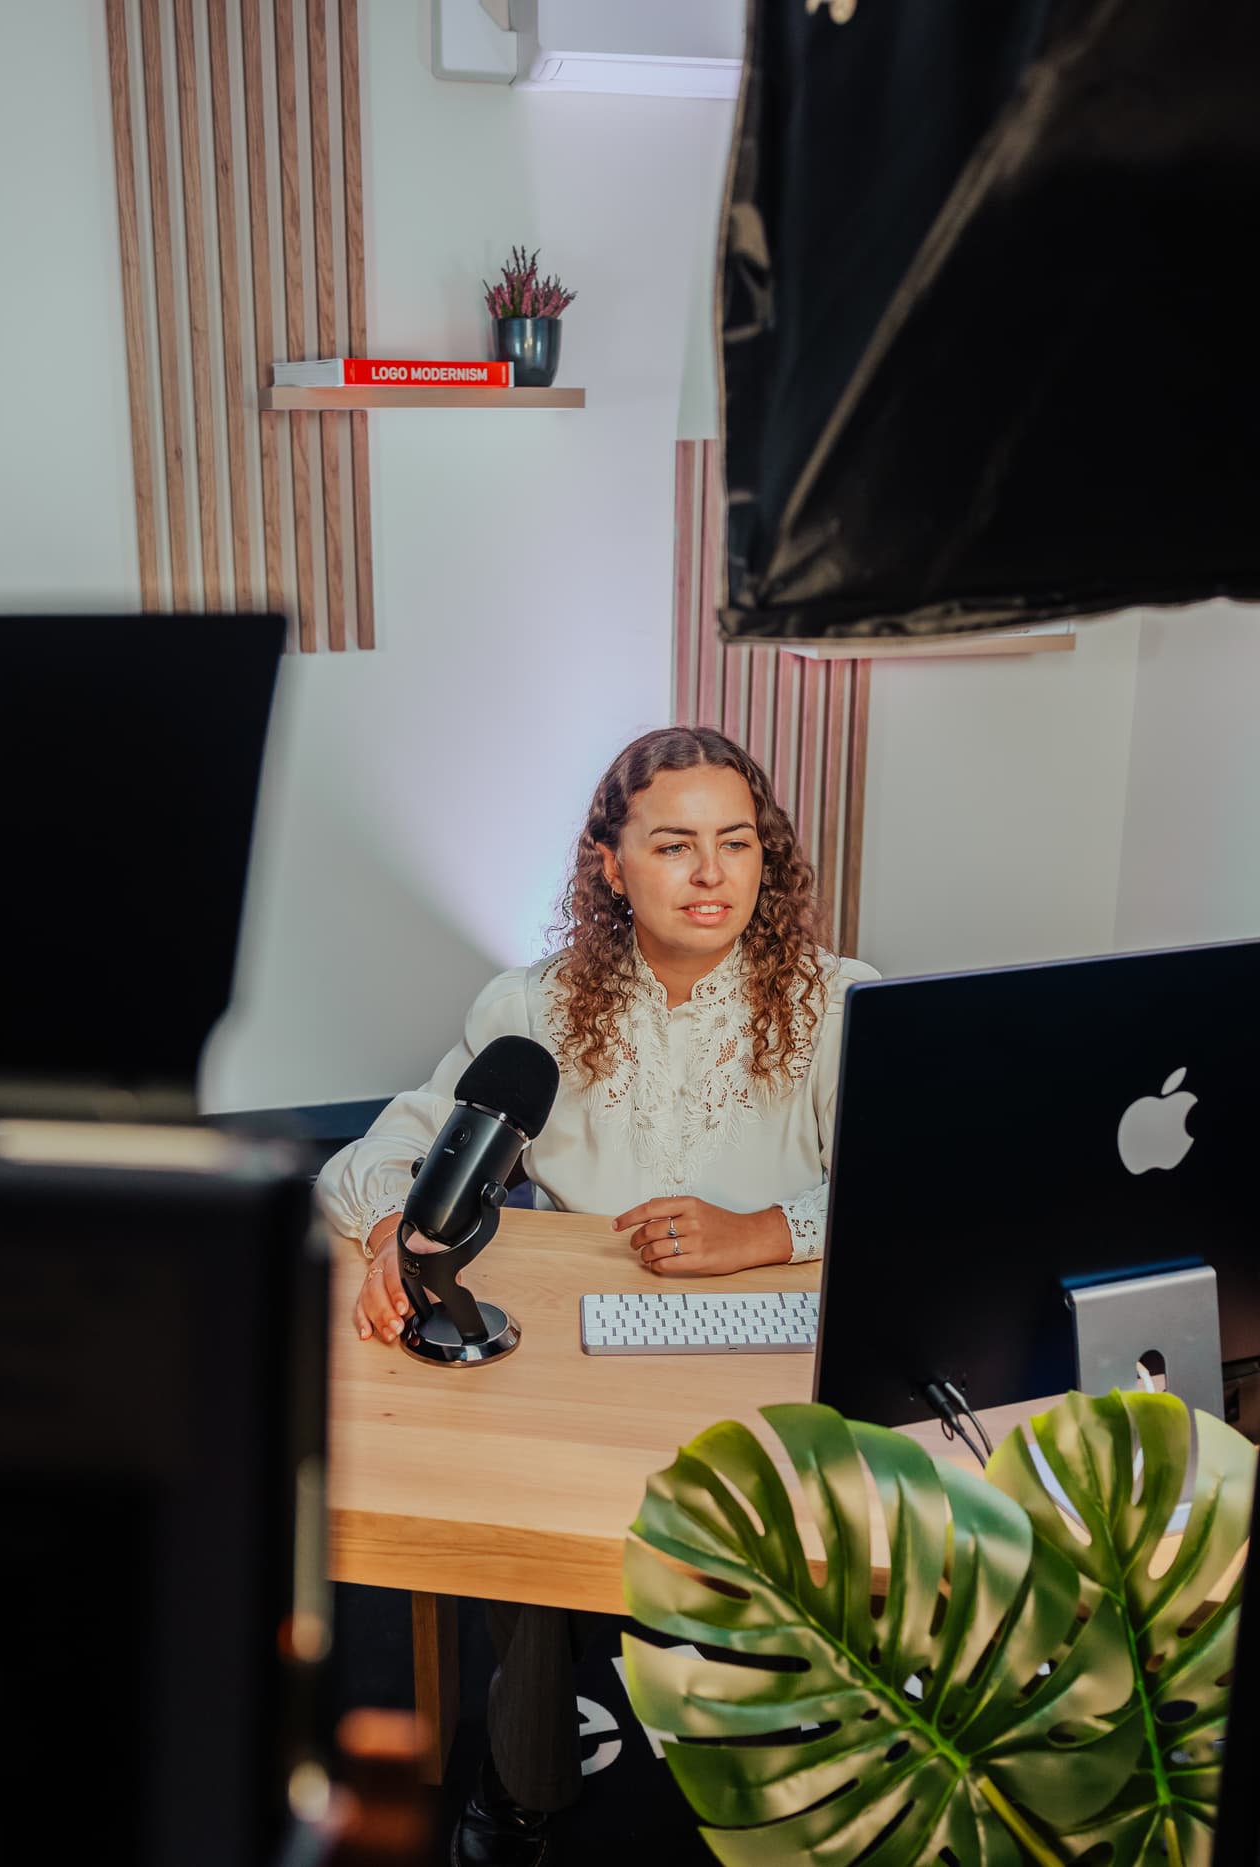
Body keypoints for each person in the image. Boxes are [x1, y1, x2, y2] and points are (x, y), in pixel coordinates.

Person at [317, 725, 877, 1865]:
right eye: (674, 844)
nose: (713, 873)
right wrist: (392, 1219)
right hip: (582, 1360)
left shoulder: (839, 1002)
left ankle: (797, 1755)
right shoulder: (534, 1004)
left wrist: (767, 1230)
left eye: (736, 842)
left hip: (770, 1357)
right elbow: (370, 1156)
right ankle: (526, 1781)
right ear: (609, 863)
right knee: (516, 1490)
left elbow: (919, 1188)